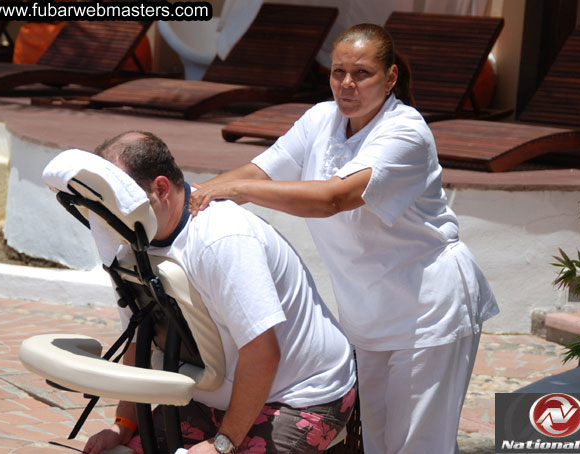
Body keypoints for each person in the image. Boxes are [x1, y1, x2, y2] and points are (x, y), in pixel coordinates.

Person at [189, 23, 499, 454]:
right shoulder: (320, 118)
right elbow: (257, 171)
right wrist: (195, 199)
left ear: (390, 78)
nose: (347, 84)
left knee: (418, 446)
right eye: (338, 72)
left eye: (362, 73)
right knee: (376, 444)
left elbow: (335, 198)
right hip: (368, 314)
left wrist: (235, 192)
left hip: (428, 311)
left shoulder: (405, 132)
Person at [83, 131, 356, 454]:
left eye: (120, 200)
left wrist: (221, 445)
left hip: (299, 397)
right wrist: (123, 425)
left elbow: (263, 352)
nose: (111, 216)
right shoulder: (128, 245)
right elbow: (139, 337)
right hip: (212, 394)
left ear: (160, 188)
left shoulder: (222, 238)